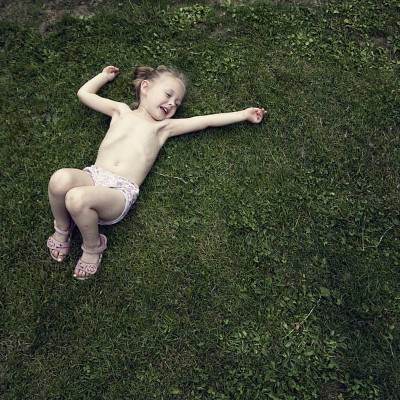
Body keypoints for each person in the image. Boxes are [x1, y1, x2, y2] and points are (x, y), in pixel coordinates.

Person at [47, 65, 265, 280]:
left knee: (77, 198)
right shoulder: (120, 111)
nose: (171, 103)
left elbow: (206, 121)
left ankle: (93, 247)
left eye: (176, 104)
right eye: (168, 95)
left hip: (118, 192)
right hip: (93, 176)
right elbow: (84, 94)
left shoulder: (163, 128)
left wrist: (243, 114)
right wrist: (103, 77)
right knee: (59, 179)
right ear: (145, 87)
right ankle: (63, 228)